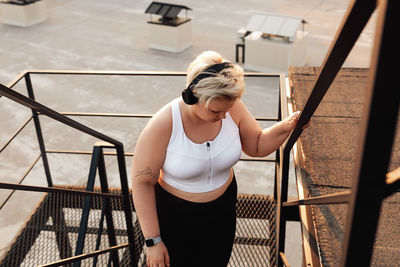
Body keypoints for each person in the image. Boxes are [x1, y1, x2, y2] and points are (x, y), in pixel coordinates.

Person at [131, 51, 307, 267]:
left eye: (227, 109)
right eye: (216, 110)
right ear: (194, 97)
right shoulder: (165, 123)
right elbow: (142, 182)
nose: (224, 116)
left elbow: (257, 145)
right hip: (174, 218)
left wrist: (287, 126)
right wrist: (153, 241)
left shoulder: (230, 107)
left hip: (221, 213)